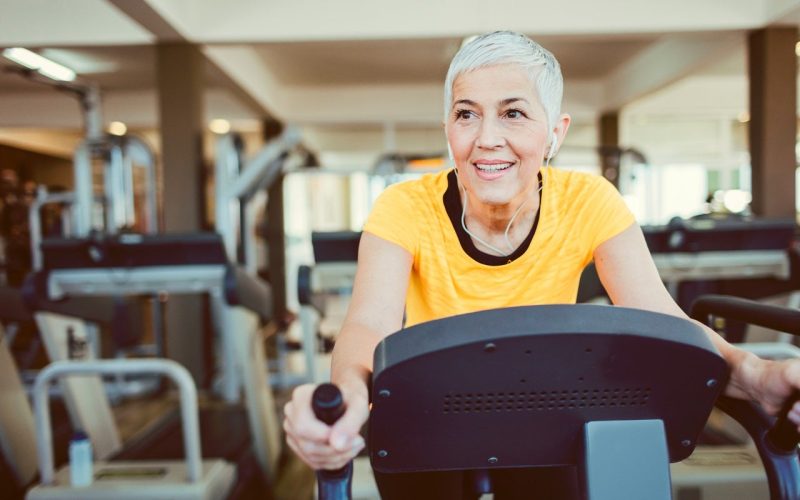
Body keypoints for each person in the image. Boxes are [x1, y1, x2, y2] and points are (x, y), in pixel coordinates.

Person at [283, 31, 800, 499]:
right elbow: (368, 323)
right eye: (467, 113)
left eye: (513, 113)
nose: (486, 137)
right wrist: (348, 398)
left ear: (555, 132)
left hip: (551, 410)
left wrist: (753, 374)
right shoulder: (402, 207)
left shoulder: (591, 200)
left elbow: (663, 323)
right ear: (448, 128)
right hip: (428, 412)